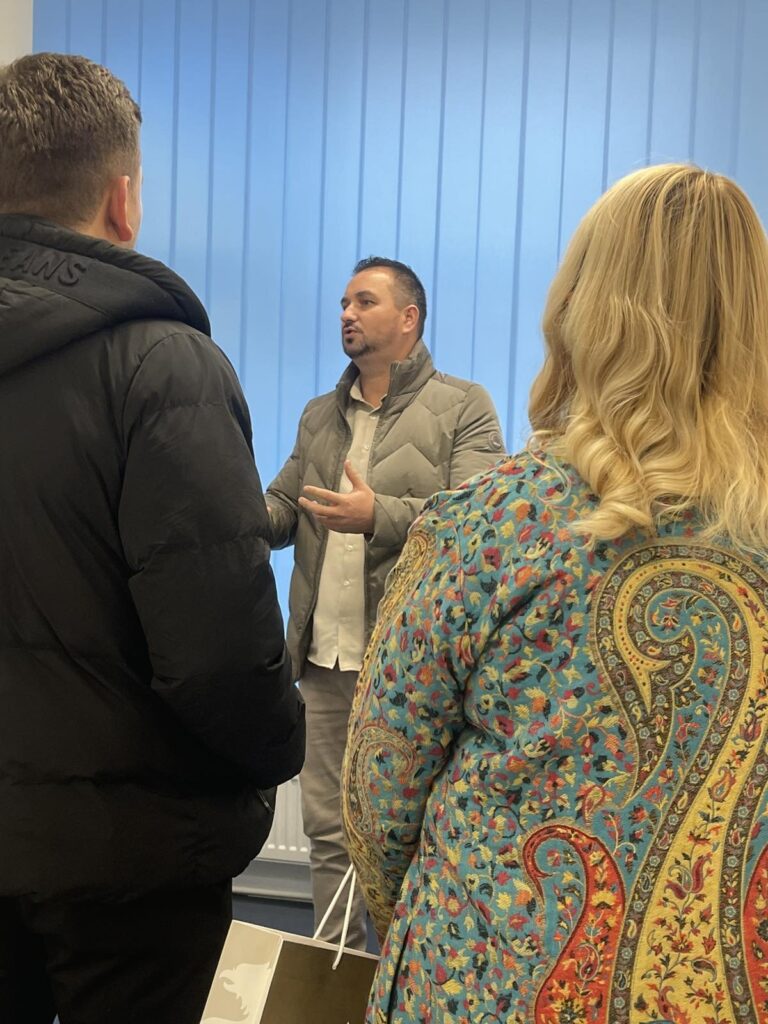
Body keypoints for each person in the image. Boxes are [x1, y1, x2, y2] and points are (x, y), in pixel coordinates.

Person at [343, 164, 768, 1023]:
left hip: (489, 983)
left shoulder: (489, 526)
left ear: (582, 308)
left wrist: (442, 927)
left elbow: (379, 800)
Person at [0, 53, 304, 1024]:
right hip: (127, 869)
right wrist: (279, 750)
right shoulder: (163, 366)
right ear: (122, 201)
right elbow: (219, 655)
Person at [266, 256, 504, 947]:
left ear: (408, 317)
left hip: (409, 668)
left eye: (364, 302)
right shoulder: (319, 415)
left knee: (405, 835)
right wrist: (223, 512)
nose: (346, 313)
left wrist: (381, 516)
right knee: (327, 831)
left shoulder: (463, 406)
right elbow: (284, 506)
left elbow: (479, 523)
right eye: (344, 302)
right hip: (324, 661)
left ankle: (400, 981)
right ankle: (331, 979)